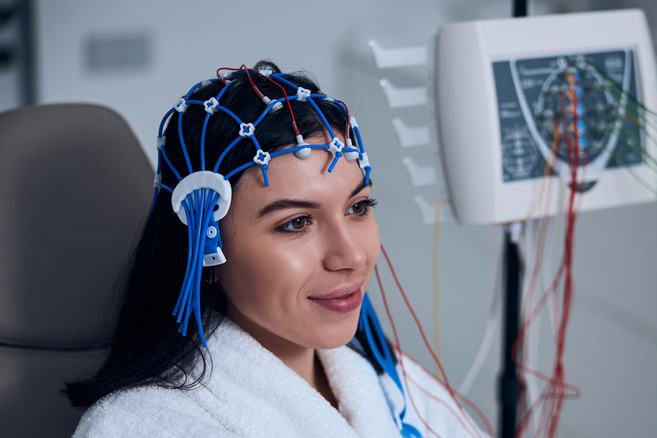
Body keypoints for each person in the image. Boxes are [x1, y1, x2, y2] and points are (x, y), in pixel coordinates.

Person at [64, 60, 487, 437]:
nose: (352, 257)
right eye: (296, 223)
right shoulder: (141, 427)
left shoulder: (386, 379)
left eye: (358, 207)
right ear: (205, 252)